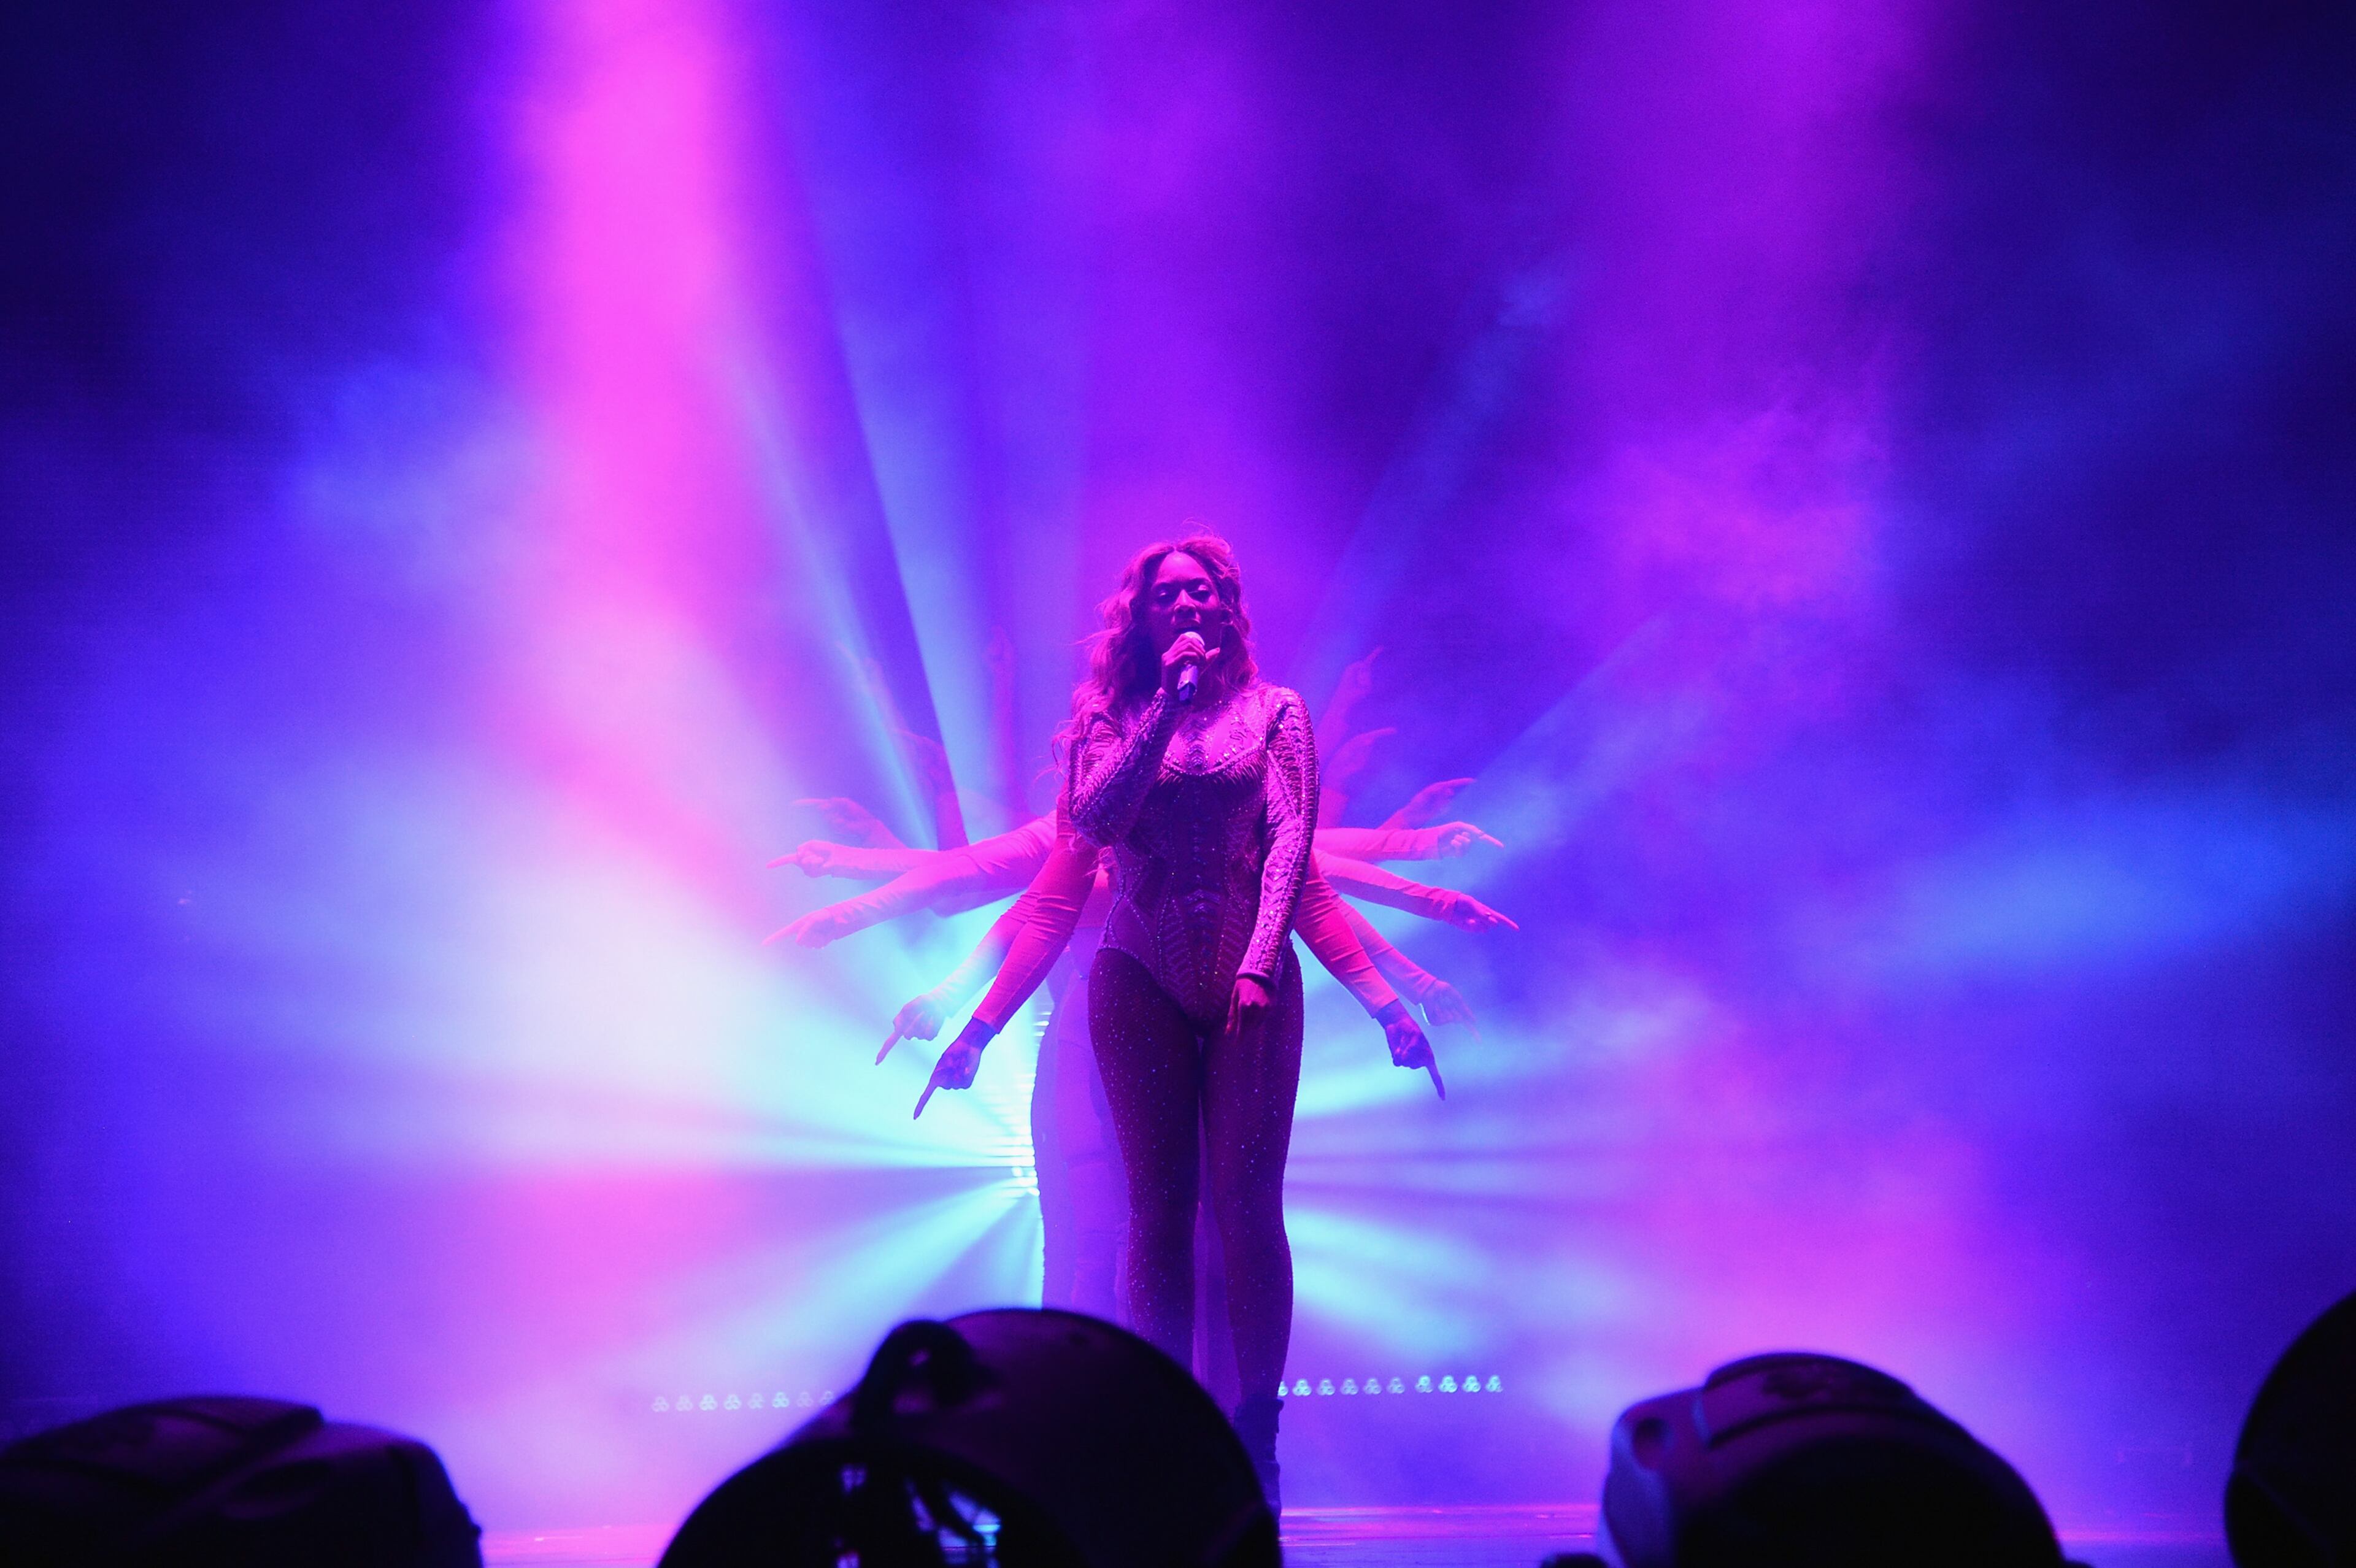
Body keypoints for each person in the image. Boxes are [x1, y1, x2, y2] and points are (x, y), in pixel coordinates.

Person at [912, 536, 1428, 1502]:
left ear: (1227, 608)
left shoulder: (1277, 714)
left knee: (1245, 1211)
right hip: (1136, 978)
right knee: (1153, 1212)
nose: (1186, 607)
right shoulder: (1109, 718)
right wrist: (977, 1029)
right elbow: (1094, 833)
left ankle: (1255, 1434)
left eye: (1202, 593)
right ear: (1142, 620)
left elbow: (1290, 856)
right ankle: (1160, 1428)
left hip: (1250, 975)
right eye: (1166, 598)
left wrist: (1275, 966)